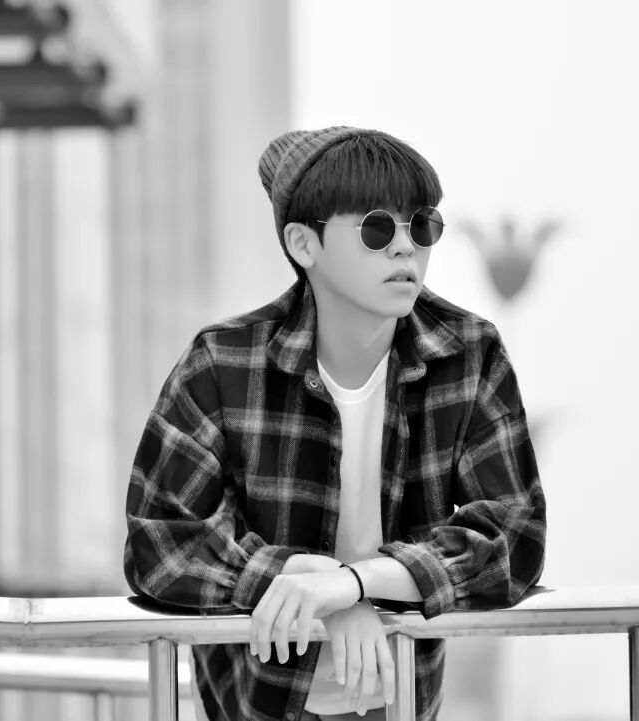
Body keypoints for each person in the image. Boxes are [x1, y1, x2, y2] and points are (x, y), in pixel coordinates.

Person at [123, 125, 546, 721]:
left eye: (422, 226)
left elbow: (514, 536)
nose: (405, 248)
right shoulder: (223, 362)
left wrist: (356, 583)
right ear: (304, 243)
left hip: (400, 696)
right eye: (377, 229)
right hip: (257, 699)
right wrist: (301, 575)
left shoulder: (469, 354)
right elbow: (161, 542)